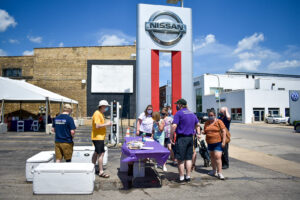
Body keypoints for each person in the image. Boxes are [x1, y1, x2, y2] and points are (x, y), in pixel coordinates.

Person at [171, 99, 201, 183]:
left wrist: (171, 136)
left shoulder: (179, 113)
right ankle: (188, 176)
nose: (176, 106)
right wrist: (198, 133)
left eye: (177, 104)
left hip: (181, 138)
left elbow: (173, 126)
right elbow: (198, 124)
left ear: (180, 105)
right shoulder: (192, 113)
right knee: (188, 158)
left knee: (180, 159)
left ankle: (181, 177)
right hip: (190, 138)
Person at [203, 109, 226, 180]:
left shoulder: (219, 122)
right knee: (212, 157)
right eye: (209, 115)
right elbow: (205, 131)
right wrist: (202, 132)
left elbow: (224, 131)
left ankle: (219, 173)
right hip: (209, 143)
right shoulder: (206, 123)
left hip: (218, 142)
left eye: (211, 115)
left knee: (218, 157)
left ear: (215, 115)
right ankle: (214, 170)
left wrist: (223, 142)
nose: (210, 117)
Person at [91, 100, 112, 178]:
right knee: (101, 154)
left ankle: (92, 168)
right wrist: (107, 123)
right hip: (98, 137)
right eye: (106, 106)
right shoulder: (97, 114)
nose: (106, 108)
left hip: (98, 137)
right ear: (102, 106)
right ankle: (101, 171)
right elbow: (97, 126)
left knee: (96, 152)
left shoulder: (100, 114)